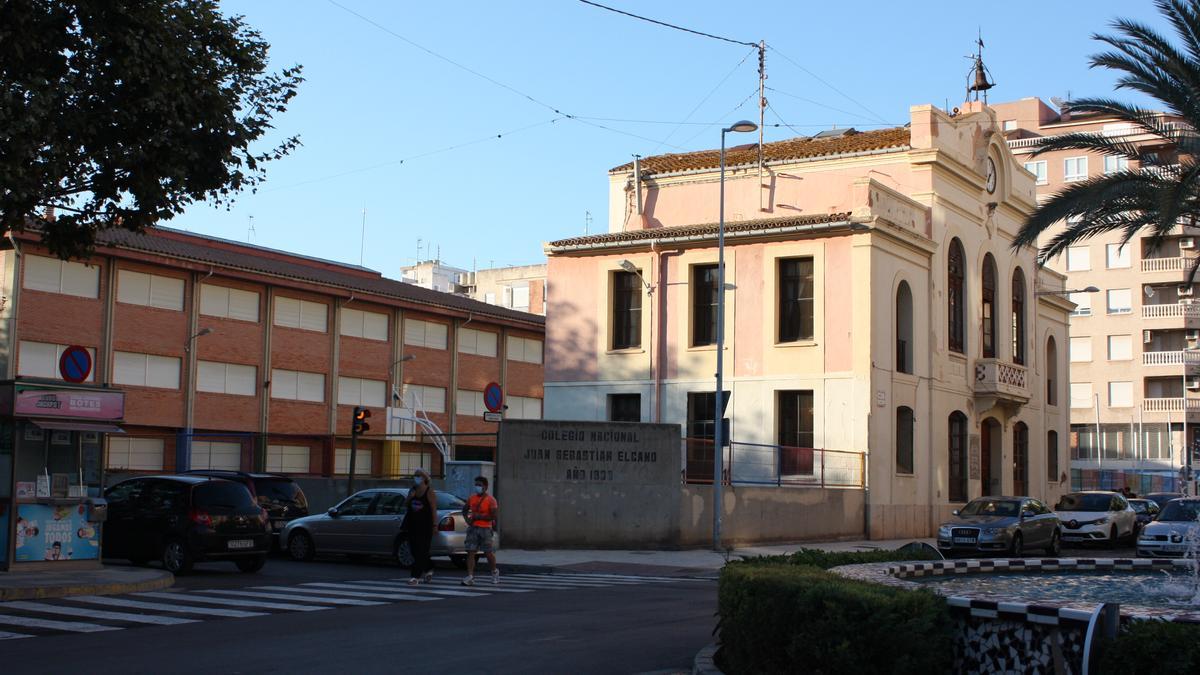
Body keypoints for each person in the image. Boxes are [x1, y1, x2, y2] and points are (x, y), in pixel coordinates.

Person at [402, 468, 438, 585]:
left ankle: (415, 577)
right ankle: (429, 567)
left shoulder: (429, 492)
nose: (416, 478)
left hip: (425, 525)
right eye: (415, 475)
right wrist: (410, 497)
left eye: (418, 476)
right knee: (414, 550)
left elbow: (433, 509)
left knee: (422, 550)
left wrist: (435, 525)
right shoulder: (412, 490)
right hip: (412, 524)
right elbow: (405, 504)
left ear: (424, 479)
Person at [461, 476, 499, 586]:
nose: (477, 487)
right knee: (470, 552)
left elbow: (493, 516)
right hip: (473, 528)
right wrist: (468, 520)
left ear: (485, 487)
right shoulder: (471, 498)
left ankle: (494, 572)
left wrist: (479, 516)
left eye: (479, 485)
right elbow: (464, 510)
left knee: (488, 553)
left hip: (485, 529)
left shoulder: (491, 500)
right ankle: (470, 576)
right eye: (476, 484)